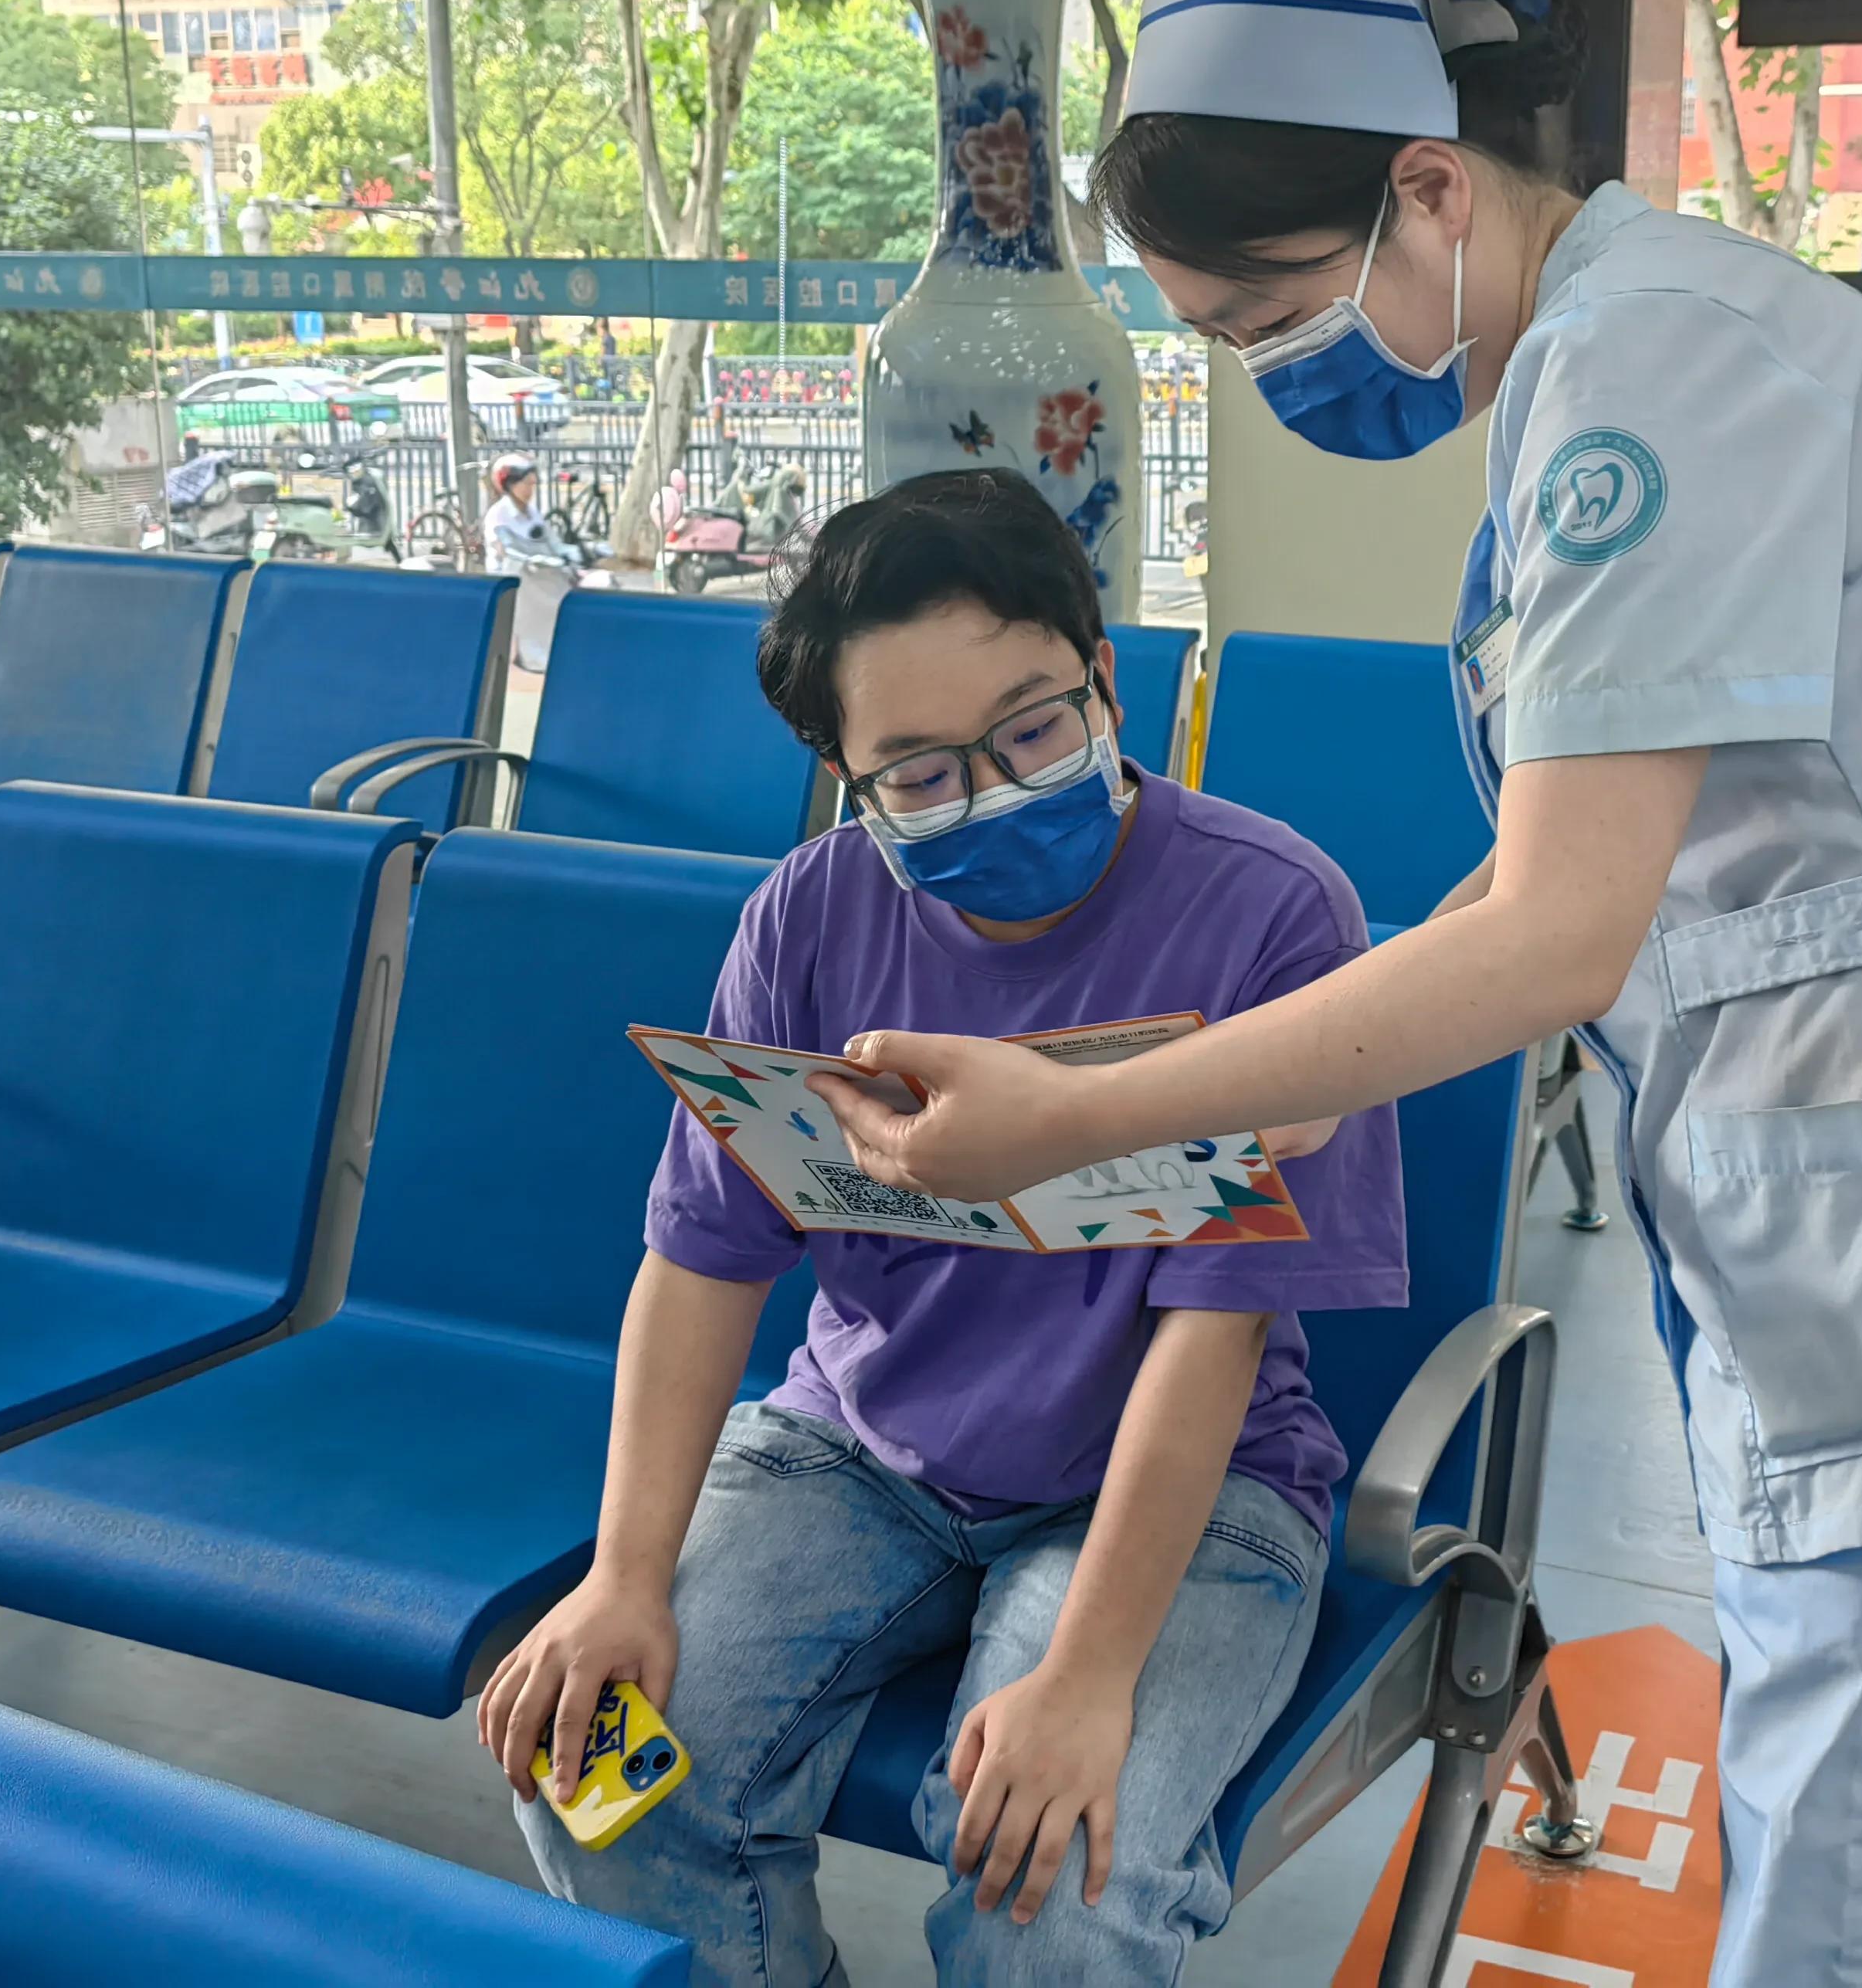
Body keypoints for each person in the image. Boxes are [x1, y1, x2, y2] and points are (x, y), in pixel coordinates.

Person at [812, 0, 1862, 1986]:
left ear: (1429, 192)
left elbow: (1556, 937)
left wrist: (1083, 1108)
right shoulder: (1616, 354)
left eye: (1271, 316)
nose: (1277, 378)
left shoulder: (1653, 379)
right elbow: (1570, 861)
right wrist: (1239, 1036)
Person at [477, 468, 1407, 1988]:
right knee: (606, 1777)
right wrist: (623, 1575)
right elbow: (704, 1257)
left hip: (1176, 1479)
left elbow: (1214, 1328)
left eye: (1033, 728)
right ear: (846, 778)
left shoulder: (1272, 919)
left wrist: (1089, 1676)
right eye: (914, 771)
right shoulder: (808, 916)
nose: (990, 789)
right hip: (858, 1450)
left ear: (1107, 681)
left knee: (1054, 1888)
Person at [482, 451, 575, 576]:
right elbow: (508, 552)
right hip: (509, 583)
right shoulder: (498, 515)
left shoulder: (532, 512)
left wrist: (575, 553)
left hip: (537, 580)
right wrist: (542, 560)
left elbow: (552, 542)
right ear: (510, 484)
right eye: (526, 484)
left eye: (532, 485)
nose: (530, 490)